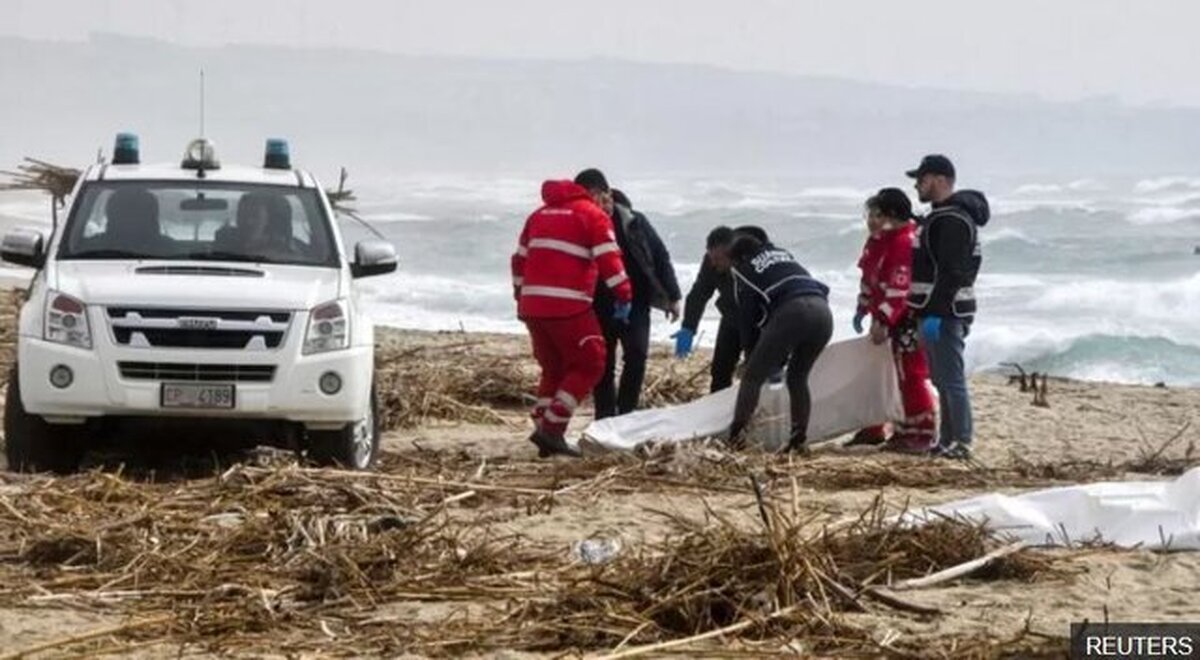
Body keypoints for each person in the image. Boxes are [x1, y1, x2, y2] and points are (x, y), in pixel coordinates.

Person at [511, 178, 633, 458]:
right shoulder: (591, 215)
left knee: (553, 368)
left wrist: (521, 296)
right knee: (592, 361)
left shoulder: (538, 215)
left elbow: (518, 260)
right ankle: (552, 430)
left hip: (533, 306)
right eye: (604, 197)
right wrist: (624, 295)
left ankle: (544, 425)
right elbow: (609, 259)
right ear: (592, 193)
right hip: (569, 305)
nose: (607, 203)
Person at [574, 170, 683, 419]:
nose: (588, 205)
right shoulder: (581, 224)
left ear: (607, 195)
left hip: (636, 300)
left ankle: (627, 414)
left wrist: (673, 296)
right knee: (603, 362)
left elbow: (659, 255)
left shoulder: (634, 221)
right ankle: (604, 416)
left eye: (591, 198)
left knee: (636, 354)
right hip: (598, 302)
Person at [906, 155, 991, 460]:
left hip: (945, 312)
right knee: (941, 378)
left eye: (922, 179)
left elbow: (952, 272)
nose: (917, 185)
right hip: (941, 310)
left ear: (941, 180)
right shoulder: (942, 217)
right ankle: (947, 439)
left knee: (951, 379)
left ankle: (961, 441)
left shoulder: (951, 220)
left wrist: (934, 314)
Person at [846, 188, 937, 453]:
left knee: (910, 373)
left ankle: (921, 431)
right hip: (883, 314)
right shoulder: (878, 241)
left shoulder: (905, 242)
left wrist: (885, 319)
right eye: (870, 214)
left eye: (877, 214)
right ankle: (875, 426)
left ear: (893, 216)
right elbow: (869, 277)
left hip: (906, 318)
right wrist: (862, 307)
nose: (871, 220)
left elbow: (900, 286)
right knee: (880, 372)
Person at [725, 234, 832, 452]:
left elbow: (748, 318)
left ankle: (736, 436)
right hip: (823, 312)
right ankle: (798, 438)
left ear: (739, 259)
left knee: (752, 377)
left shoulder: (744, 270)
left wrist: (750, 356)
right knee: (798, 377)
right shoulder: (783, 255)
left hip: (793, 312)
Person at [676, 225, 771, 393]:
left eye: (718, 259)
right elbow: (700, 292)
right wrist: (688, 327)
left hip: (759, 321)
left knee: (757, 371)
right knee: (720, 370)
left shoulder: (759, 258)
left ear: (733, 254)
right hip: (731, 317)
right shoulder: (712, 260)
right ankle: (716, 411)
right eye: (711, 258)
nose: (713, 264)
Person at [215, 192, 297, 259]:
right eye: (243, 215)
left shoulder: (284, 255)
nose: (248, 221)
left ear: (268, 221)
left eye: (255, 216)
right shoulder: (220, 249)